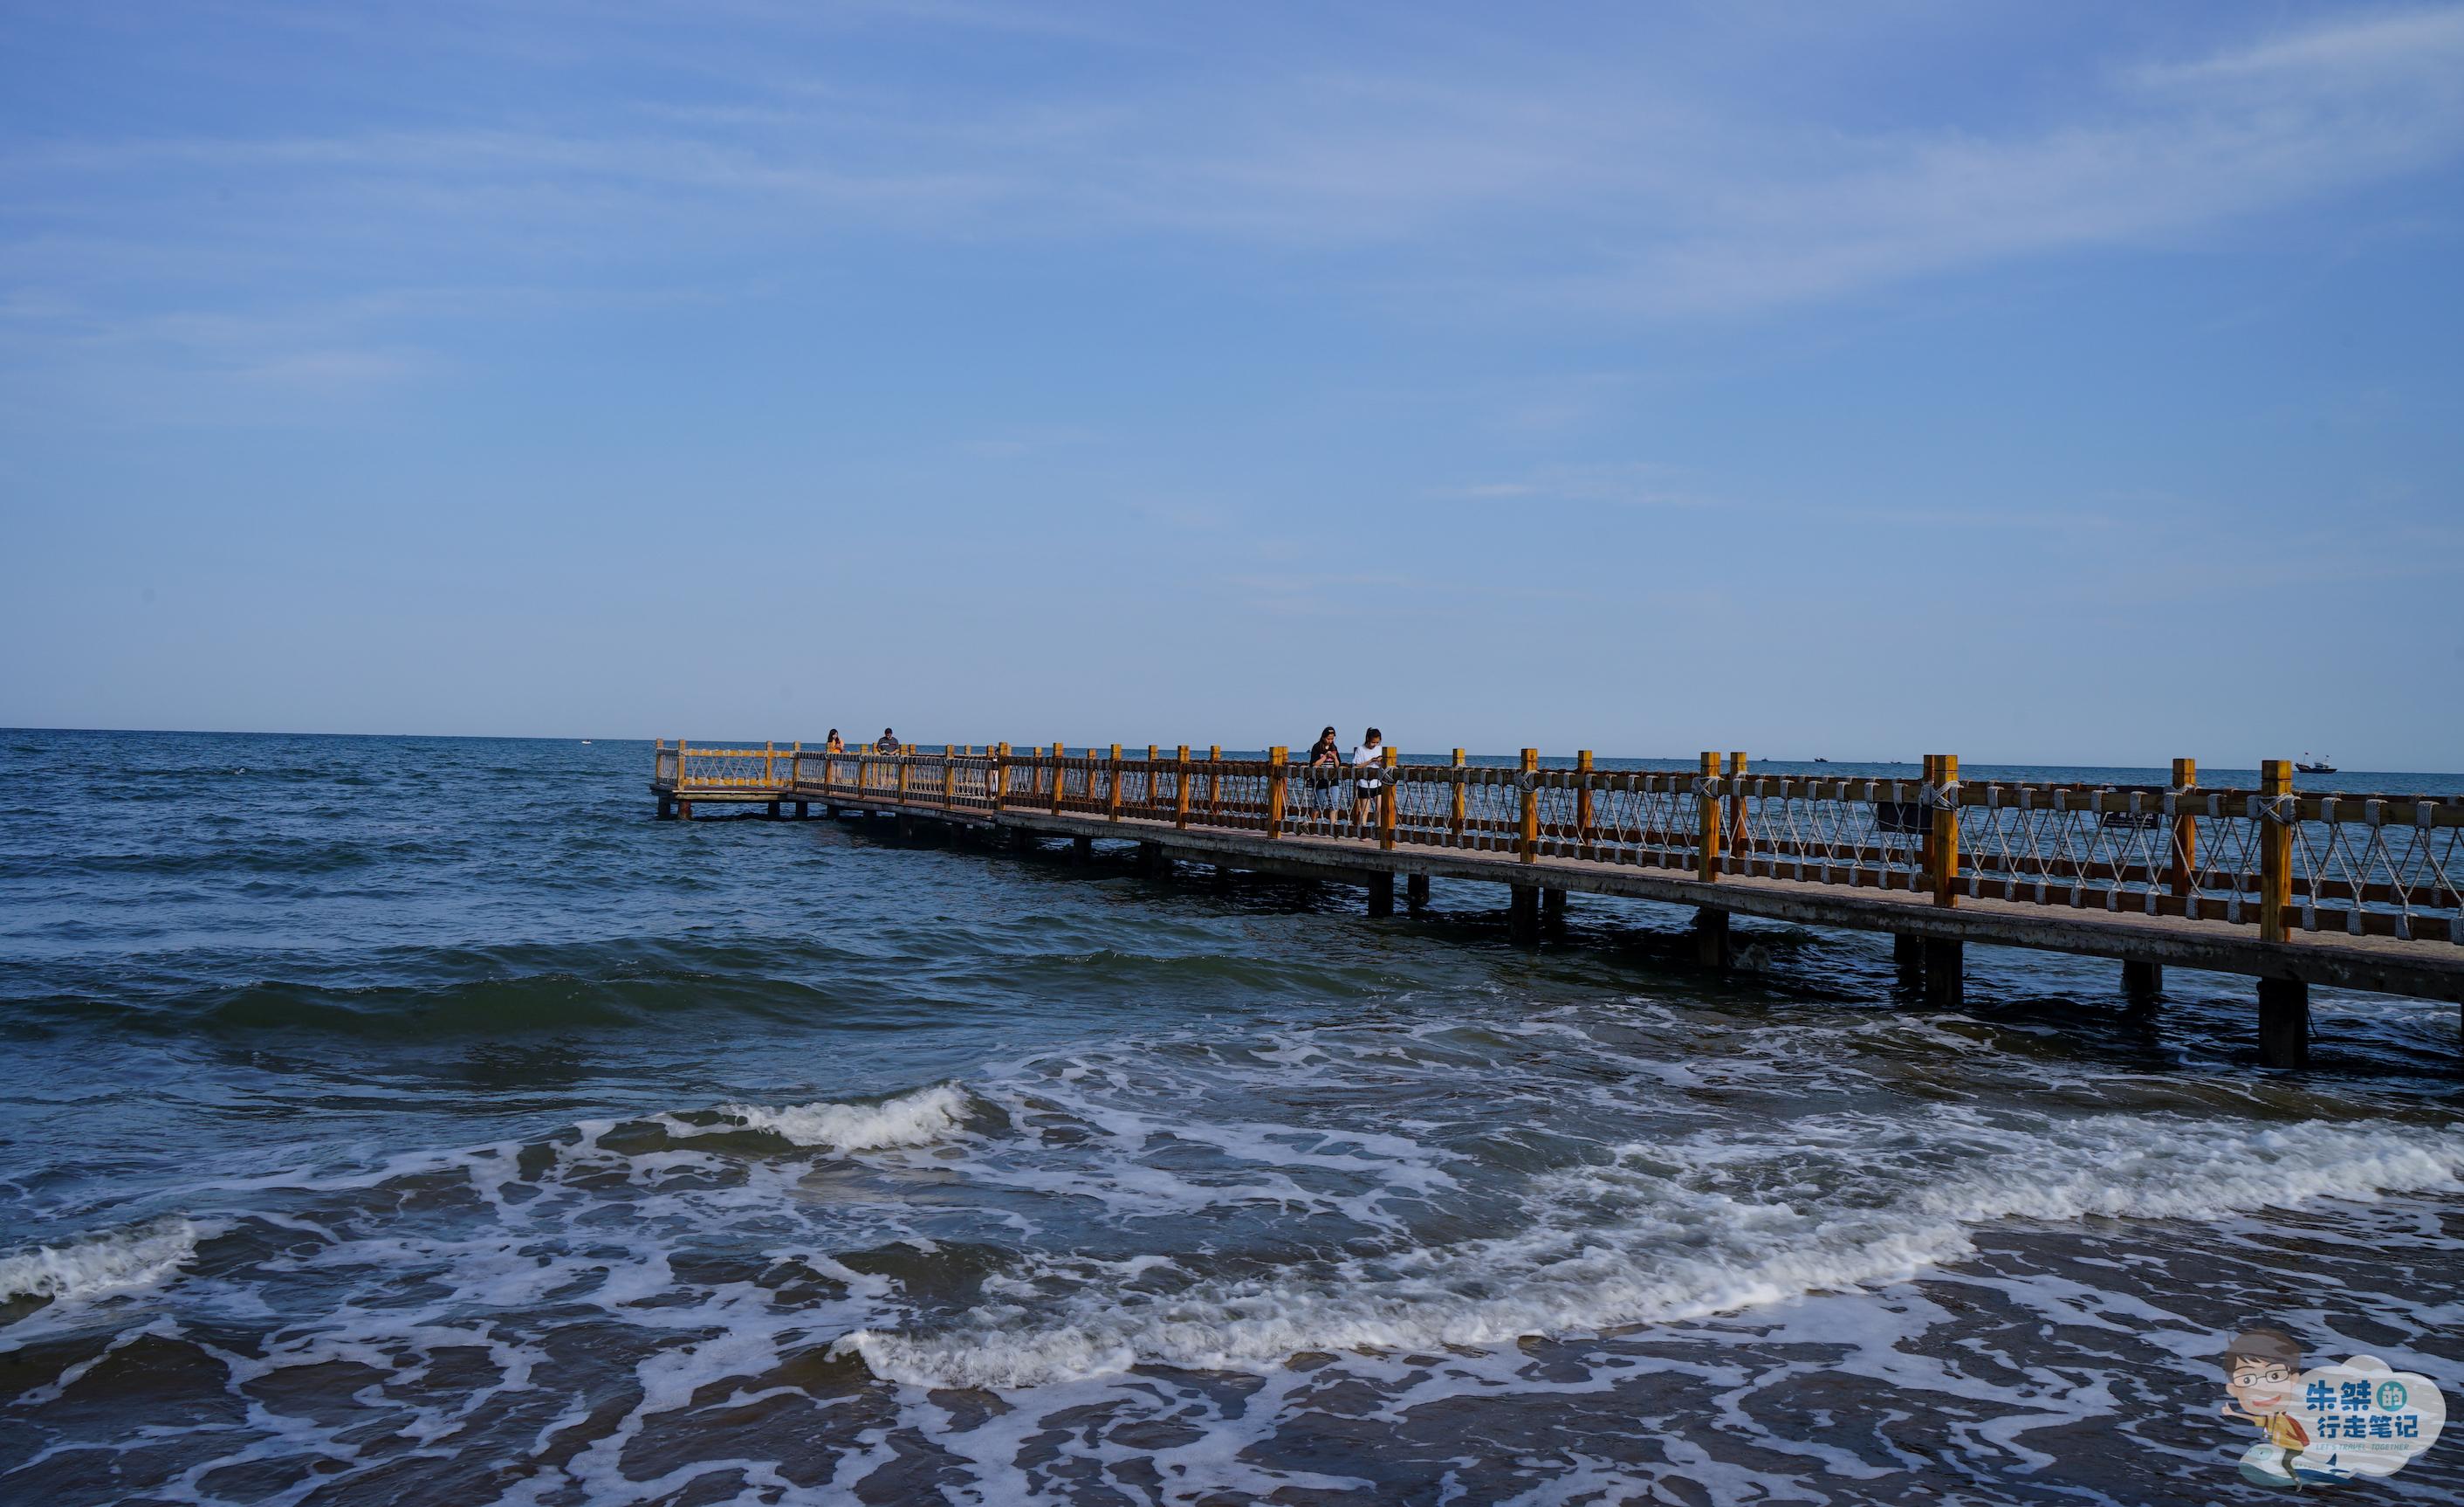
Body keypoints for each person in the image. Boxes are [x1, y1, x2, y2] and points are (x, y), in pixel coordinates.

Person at [1306, 726, 1342, 828]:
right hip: (1320, 780)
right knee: (1318, 804)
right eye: (1328, 739)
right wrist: (1325, 756)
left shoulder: (1334, 748)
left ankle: (1333, 825)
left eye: (1332, 738)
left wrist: (1334, 757)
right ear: (1323, 737)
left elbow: (1338, 765)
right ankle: (1313, 825)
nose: (1330, 741)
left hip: (1333, 779)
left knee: (1334, 803)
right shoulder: (1317, 747)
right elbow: (1315, 764)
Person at [1351, 727, 1385, 830]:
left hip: (1377, 783)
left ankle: (1378, 828)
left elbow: (1384, 765)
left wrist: (1381, 762)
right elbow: (1356, 766)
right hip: (1364, 784)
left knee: (1380, 808)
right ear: (1367, 739)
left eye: (1377, 742)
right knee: (1365, 809)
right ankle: (1363, 831)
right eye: (1373, 742)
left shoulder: (1380, 749)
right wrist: (1371, 761)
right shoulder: (1360, 750)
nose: (1375, 744)